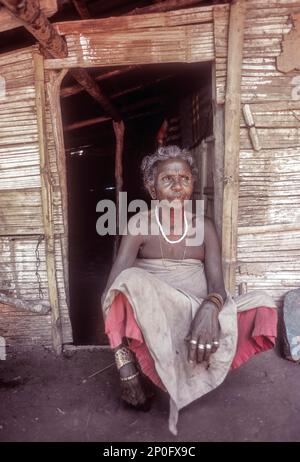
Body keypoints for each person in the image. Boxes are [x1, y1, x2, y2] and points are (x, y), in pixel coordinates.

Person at [101, 145, 277, 434]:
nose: (177, 187)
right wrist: (124, 368)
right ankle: (141, 364)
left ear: (193, 184)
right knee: (128, 281)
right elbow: (111, 294)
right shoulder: (139, 225)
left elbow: (218, 286)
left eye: (184, 178)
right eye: (166, 180)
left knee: (263, 304)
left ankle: (193, 364)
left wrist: (209, 307)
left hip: (196, 314)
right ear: (151, 187)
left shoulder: (205, 227)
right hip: (155, 318)